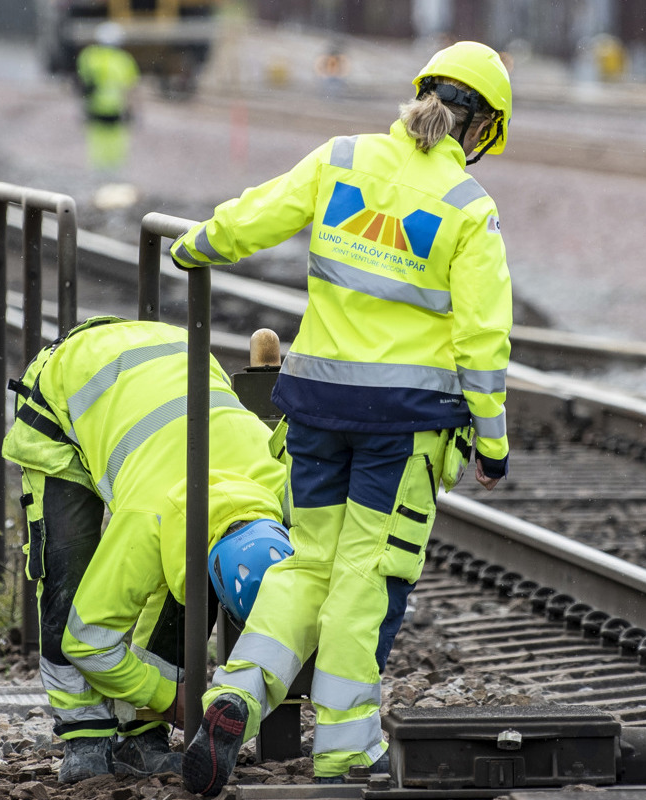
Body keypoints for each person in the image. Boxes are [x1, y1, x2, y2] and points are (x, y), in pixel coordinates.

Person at [169, 40, 514, 794]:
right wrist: (492, 443)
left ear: (422, 94)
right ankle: (347, 748)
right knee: (367, 577)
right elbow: (483, 343)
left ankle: (237, 696)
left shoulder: (343, 158)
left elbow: (256, 217)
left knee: (308, 565)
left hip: (317, 409)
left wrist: (195, 246)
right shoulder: (468, 209)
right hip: (403, 426)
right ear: (484, 127)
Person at [0, 316, 290, 784]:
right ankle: (84, 736)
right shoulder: (146, 517)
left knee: (185, 585)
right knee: (68, 578)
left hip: (173, 348)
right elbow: (87, 641)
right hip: (67, 386)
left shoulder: (280, 481)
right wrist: (169, 698)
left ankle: (141, 737)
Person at [76, 21, 140, 171]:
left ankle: (98, 172)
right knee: (115, 145)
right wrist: (132, 111)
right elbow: (131, 89)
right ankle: (113, 172)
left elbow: (82, 83)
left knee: (97, 143)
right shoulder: (124, 60)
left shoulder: (89, 56)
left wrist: (83, 103)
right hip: (116, 110)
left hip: (94, 108)